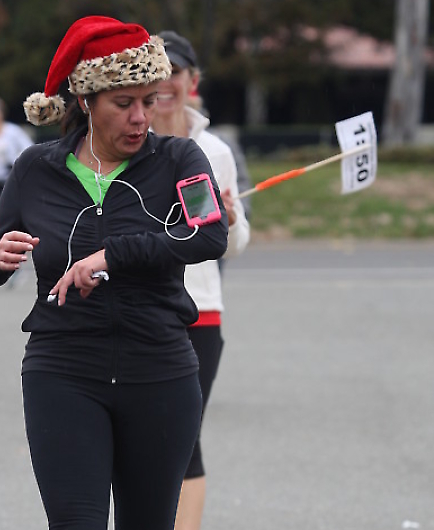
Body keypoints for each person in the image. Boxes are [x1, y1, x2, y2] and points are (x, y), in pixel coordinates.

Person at [0, 16, 229, 530]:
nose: (140, 118)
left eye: (149, 101)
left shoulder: (181, 157)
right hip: (63, 372)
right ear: (86, 102)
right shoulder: (35, 168)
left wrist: (112, 255)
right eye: (123, 103)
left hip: (160, 372)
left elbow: (209, 235)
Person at [152, 30, 251, 530]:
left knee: (183, 439)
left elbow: (232, 246)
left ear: (193, 80)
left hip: (199, 312)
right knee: (138, 438)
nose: (166, 83)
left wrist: (228, 222)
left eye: (176, 72)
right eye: (156, 72)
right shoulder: (124, 141)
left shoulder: (213, 152)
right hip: (137, 307)